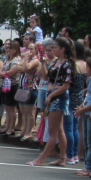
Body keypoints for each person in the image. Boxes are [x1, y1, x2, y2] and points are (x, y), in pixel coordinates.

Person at [29, 37, 75, 166]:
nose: (53, 50)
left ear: (63, 49)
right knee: (59, 130)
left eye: (55, 47)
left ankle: (41, 158)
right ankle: (62, 158)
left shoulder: (67, 64)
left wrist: (51, 96)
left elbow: (66, 85)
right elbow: (46, 77)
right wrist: (43, 63)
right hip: (52, 93)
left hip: (58, 97)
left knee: (53, 131)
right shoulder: (56, 62)